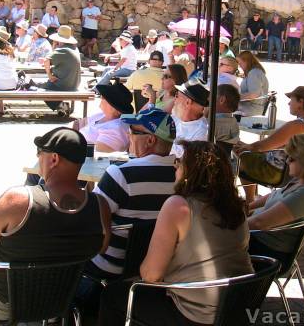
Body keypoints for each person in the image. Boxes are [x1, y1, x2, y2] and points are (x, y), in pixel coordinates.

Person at [0, 127, 111, 322]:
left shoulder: (18, 201)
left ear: (53, 159)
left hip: (6, 302)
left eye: (40, 155)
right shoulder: (100, 207)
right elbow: (101, 247)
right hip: (60, 299)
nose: (39, 161)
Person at [98, 140, 253, 326]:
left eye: (179, 162)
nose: (175, 166)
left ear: (190, 172)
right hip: (239, 307)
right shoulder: (237, 207)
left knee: (112, 296)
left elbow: (150, 275)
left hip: (195, 313)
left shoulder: (179, 206)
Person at [85, 108, 177, 282]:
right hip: (162, 267)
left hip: (113, 268)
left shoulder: (121, 175)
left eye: (133, 131)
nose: (128, 135)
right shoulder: (183, 177)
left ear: (150, 140)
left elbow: (91, 219)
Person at [247, 133, 304, 261]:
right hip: (257, 238)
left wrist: (229, 225)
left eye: (291, 159)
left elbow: (259, 223)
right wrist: (247, 207)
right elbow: (276, 194)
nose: (287, 161)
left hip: (264, 252)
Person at [237, 86, 304, 155]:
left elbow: (262, 147)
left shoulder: (296, 125)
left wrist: (244, 146)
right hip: (295, 170)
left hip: (275, 169)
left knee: (234, 150)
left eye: (291, 100)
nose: (289, 103)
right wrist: (246, 145)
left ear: (301, 102)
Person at [74, 81, 133, 153]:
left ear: (113, 106)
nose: (101, 98)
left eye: (104, 97)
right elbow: (78, 124)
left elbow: (99, 153)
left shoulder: (115, 128)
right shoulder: (102, 115)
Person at [38, 25, 81, 114]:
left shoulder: (63, 50)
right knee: (44, 85)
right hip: (74, 83)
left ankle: (61, 106)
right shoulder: (74, 48)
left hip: (64, 84)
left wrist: (49, 75)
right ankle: (60, 105)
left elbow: (46, 61)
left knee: (40, 89)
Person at [170, 78, 209, 157]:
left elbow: (184, 160)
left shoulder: (202, 132)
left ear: (188, 102)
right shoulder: (175, 118)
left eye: (177, 96)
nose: (174, 100)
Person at [237, 51, 269, 116]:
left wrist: (235, 98)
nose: (239, 66)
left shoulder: (254, 73)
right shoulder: (253, 72)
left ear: (246, 62)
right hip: (249, 106)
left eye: (240, 63)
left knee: (223, 109)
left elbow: (254, 94)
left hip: (252, 108)